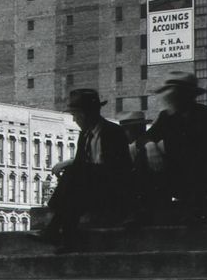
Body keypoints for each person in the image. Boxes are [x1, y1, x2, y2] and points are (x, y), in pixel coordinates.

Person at [32, 87, 132, 247]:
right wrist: (70, 165)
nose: (74, 120)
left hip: (112, 190)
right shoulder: (84, 135)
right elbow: (80, 163)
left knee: (75, 176)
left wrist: (82, 169)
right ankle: (64, 237)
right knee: (75, 184)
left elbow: (119, 170)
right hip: (89, 189)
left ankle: (54, 231)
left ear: (85, 115)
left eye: (75, 115)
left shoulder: (113, 132)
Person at [141, 72, 207, 224]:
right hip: (178, 173)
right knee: (142, 156)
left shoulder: (206, 115)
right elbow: (145, 137)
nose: (169, 96)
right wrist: (151, 146)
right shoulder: (167, 116)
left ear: (186, 95)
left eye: (174, 92)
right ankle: (152, 211)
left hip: (204, 176)